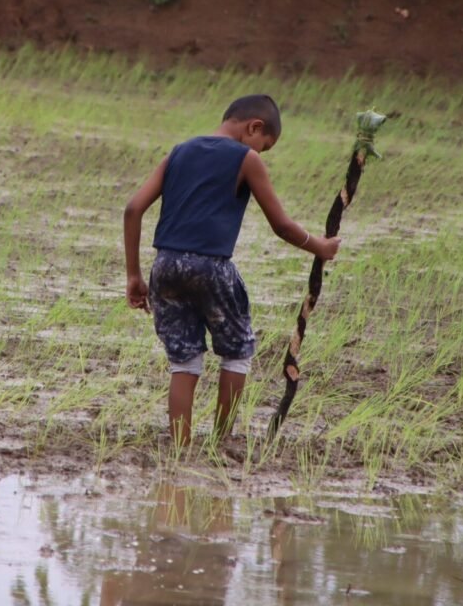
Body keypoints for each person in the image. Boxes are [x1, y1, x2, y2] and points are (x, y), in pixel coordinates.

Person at [123, 94, 341, 447]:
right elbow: (282, 226)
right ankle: (221, 442)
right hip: (212, 266)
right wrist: (321, 246)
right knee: (237, 351)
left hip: (165, 266)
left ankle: (180, 447)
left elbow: (133, 208)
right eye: (265, 145)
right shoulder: (246, 159)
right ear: (254, 127)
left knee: (184, 359)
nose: (262, 153)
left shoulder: (179, 151)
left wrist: (134, 275)